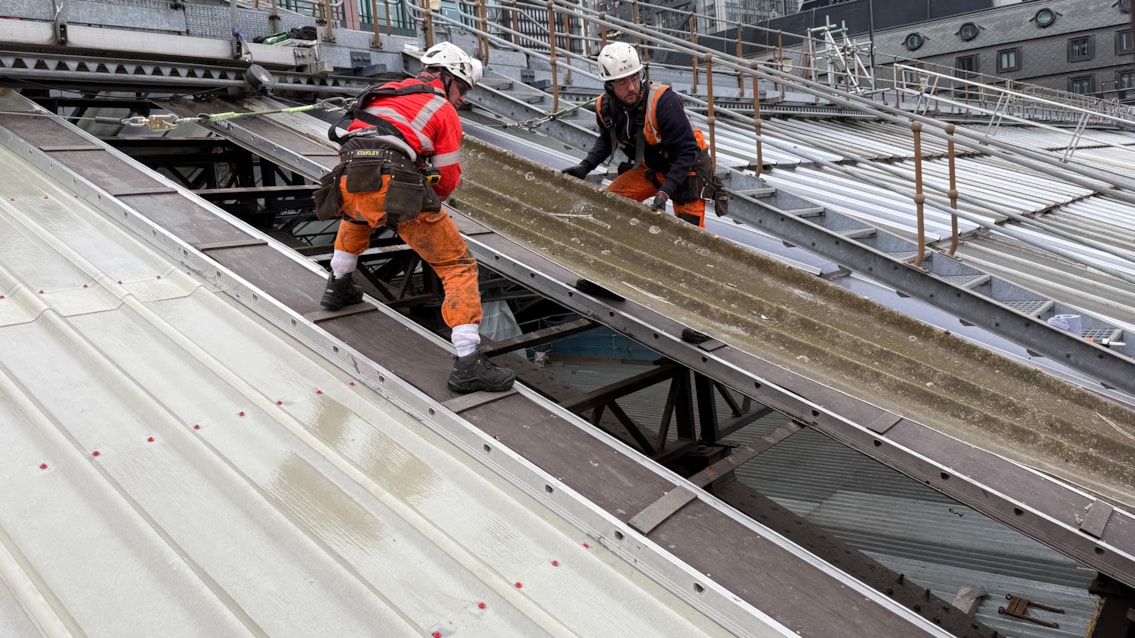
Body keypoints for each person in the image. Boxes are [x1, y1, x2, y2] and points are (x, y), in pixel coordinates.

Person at [319, 41, 515, 394]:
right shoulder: (442, 110)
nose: (464, 99)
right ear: (447, 78)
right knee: (457, 265)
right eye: (464, 89)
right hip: (394, 181)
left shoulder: (384, 91)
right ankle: (469, 362)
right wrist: (428, 204)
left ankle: (338, 286)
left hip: (346, 177)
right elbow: (449, 179)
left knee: (358, 215)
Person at [561, 42, 721, 228]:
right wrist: (584, 167)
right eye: (622, 82)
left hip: (687, 169)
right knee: (607, 206)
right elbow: (607, 140)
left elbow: (687, 152)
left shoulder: (664, 103)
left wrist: (665, 192)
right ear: (610, 86)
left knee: (688, 234)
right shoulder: (605, 108)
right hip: (652, 168)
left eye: (634, 78)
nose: (631, 87)